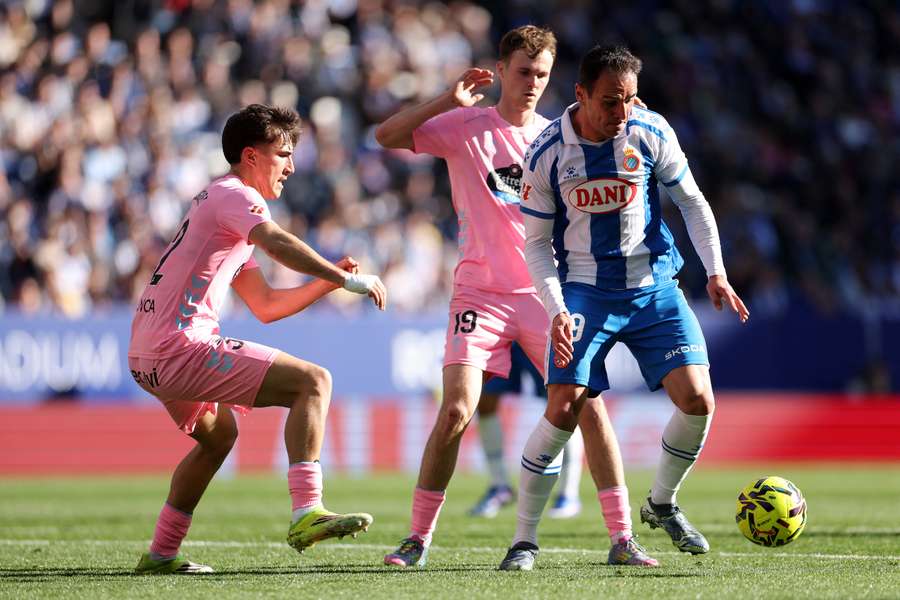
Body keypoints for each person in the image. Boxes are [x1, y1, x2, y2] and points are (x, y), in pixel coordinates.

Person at [375, 26, 654, 569]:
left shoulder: (558, 138)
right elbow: (386, 135)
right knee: (456, 409)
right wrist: (444, 100)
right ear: (500, 70)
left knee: (588, 407)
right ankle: (416, 539)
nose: (531, 82)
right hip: (479, 290)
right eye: (523, 71)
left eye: (542, 74)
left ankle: (622, 538)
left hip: (543, 292)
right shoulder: (462, 127)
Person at [504, 44, 749, 570]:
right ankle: (523, 540)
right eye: (611, 102)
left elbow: (691, 201)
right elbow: (534, 246)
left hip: (654, 286)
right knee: (564, 406)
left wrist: (716, 272)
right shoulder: (548, 152)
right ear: (580, 94)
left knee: (699, 400)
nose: (622, 114)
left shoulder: (649, 130)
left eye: (631, 100)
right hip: (585, 291)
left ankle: (661, 503)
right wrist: (555, 309)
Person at [128, 104, 387, 574]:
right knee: (313, 381)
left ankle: (162, 553)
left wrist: (326, 283)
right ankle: (307, 511)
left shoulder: (221, 208)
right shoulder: (235, 197)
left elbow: (266, 305)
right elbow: (278, 241)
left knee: (218, 437)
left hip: (148, 353)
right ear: (250, 155)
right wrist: (344, 278)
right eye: (282, 154)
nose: (290, 166)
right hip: (179, 347)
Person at [468, 342, 585, 519]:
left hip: (539, 324)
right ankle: (499, 485)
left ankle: (568, 494)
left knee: (561, 400)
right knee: (484, 398)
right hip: (502, 328)